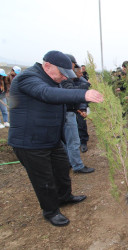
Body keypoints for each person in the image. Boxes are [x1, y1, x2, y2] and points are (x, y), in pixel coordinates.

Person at [8, 50, 103, 227]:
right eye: (62, 74)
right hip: (30, 141)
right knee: (43, 179)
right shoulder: (28, 78)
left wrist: (81, 103)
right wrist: (83, 95)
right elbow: (46, 94)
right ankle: (51, 211)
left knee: (62, 168)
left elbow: (63, 96)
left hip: (50, 138)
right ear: (47, 66)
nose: (64, 78)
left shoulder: (52, 78)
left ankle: (64, 197)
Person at [61, 54, 94, 172]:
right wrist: (87, 85)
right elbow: (71, 93)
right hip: (67, 113)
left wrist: (82, 109)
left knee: (67, 141)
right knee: (73, 141)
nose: (75, 69)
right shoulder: (64, 78)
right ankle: (77, 166)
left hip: (70, 110)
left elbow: (76, 97)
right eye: (74, 66)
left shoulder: (68, 78)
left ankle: (69, 162)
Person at [74, 66, 90, 153]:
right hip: (70, 108)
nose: (81, 74)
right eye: (79, 73)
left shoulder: (83, 81)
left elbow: (84, 96)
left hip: (80, 107)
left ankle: (83, 142)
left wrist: (83, 109)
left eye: (82, 72)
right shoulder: (66, 81)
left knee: (81, 124)